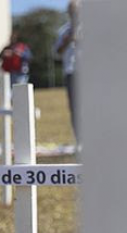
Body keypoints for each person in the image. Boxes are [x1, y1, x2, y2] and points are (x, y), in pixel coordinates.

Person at [55, 0, 79, 141]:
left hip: (88, 73)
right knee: (74, 108)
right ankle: (79, 140)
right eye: (71, 11)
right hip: (71, 72)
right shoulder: (64, 31)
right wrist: (68, 40)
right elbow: (57, 51)